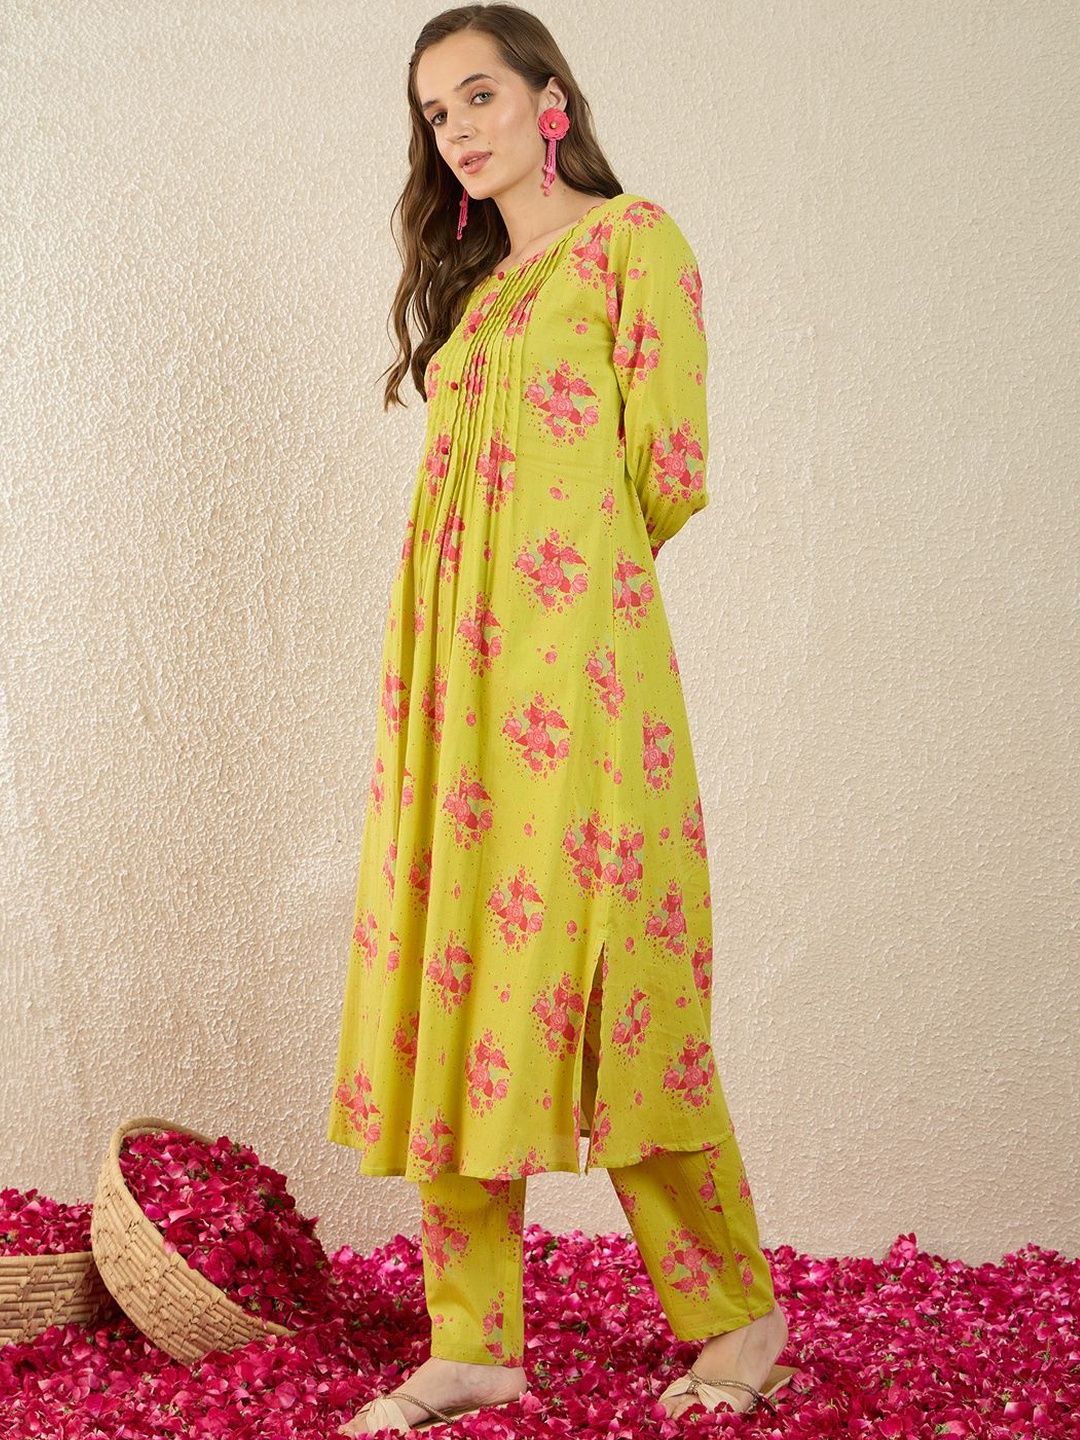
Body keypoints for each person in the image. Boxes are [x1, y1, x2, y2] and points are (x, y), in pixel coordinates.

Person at [327, 5, 798, 1432]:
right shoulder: (478, 297)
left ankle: (736, 1313)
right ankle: (473, 1340)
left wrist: (556, 600)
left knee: (618, 978)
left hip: (577, 681)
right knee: (458, 971)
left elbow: (671, 467)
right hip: (454, 690)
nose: (456, 130)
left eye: (477, 95)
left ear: (550, 100)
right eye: (435, 113)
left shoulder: (633, 242)